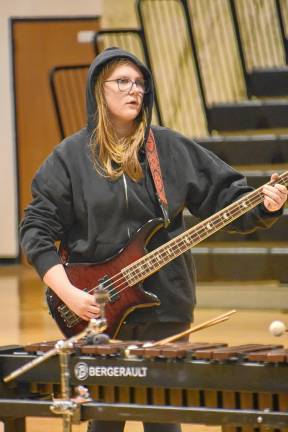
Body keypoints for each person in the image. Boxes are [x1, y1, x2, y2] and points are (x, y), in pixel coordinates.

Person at [20, 47, 288, 432]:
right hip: (96, 309)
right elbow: (36, 228)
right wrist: (67, 293)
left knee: (163, 419)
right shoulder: (69, 158)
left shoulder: (169, 148)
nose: (135, 91)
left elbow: (227, 197)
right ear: (100, 89)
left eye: (141, 83)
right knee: (104, 421)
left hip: (166, 307)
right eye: (123, 82)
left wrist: (266, 206)